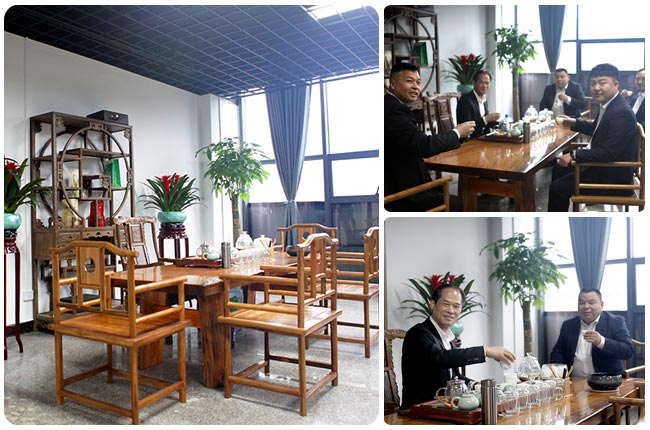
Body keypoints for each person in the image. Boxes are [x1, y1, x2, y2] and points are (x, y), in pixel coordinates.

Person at [400, 284, 516, 409]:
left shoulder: (449, 339)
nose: (451, 311)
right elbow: (440, 358)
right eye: (446, 304)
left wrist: (478, 386)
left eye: (456, 306)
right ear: (432, 304)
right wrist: (485, 351)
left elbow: (454, 377)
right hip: (418, 411)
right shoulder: (418, 333)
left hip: (445, 408)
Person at [385, 62, 476, 211]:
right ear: (393, 84)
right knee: (457, 203)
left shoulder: (393, 105)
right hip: (401, 191)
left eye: (418, 82)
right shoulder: (394, 110)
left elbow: (415, 143)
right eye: (409, 81)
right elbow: (424, 146)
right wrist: (457, 132)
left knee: (449, 195)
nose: (416, 87)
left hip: (407, 180)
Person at [547, 63, 637, 212]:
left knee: (557, 189)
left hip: (613, 177)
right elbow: (596, 129)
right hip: (602, 167)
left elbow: (609, 153)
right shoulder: (609, 104)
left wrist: (574, 154)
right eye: (593, 83)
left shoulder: (622, 112)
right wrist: (574, 122)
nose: (596, 88)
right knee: (558, 169)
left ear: (616, 85)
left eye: (602, 83)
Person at [549, 288, 634, 377]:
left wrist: (601, 342)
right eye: (581, 303)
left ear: (601, 305)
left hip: (606, 381)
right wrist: (556, 374)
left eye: (591, 302)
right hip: (574, 381)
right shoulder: (568, 325)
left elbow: (627, 350)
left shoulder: (615, 322)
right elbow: (558, 352)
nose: (586, 306)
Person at [456, 70, 501, 140]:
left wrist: (501, 124)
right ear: (474, 83)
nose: (485, 86)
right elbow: (466, 127)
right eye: (481, 82)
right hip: (469, 141)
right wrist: (486, 119)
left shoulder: (484, 99)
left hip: (482, 138)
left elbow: (486, 124)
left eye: (487, 83)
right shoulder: (465, 100)